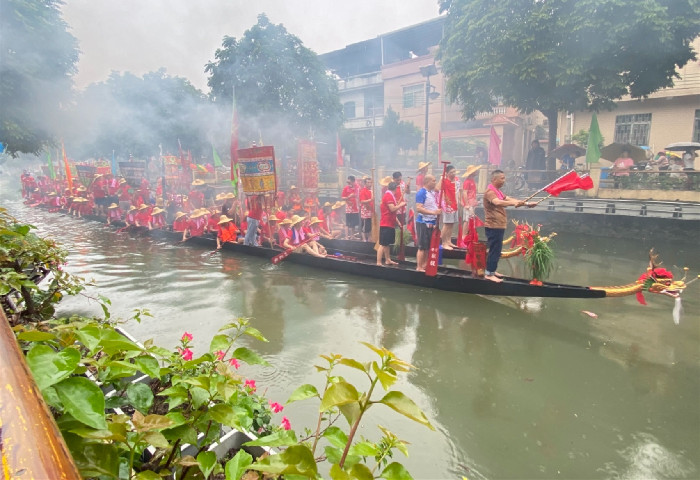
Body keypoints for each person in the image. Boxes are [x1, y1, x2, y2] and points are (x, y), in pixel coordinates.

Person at [483, 170, 535, 282]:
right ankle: (488, 274)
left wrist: (525, 203)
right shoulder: (490, 192)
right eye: (501, 178)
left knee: (497, 250)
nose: (504, 181)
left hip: (499, 225)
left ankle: (492, 270)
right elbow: (498, 202)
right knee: (494, 250)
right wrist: (514, 204)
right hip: (493, 226)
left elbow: (507, 199)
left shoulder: (497, 191)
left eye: (504, 178)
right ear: (494, 179)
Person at [414, 174, 441, 272]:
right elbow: (419, 208)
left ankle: (425, 264)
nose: (435, 182)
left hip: (432, 222)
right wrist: (434, 212)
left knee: (428, 246)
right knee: (422, 246)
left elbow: (439, 188)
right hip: (423, 222)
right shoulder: (421, 192)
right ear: (427, 182)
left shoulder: (431, 192)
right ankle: (419, 267)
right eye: (433, 180)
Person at [377, 181, 405, 266]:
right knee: (383, 244)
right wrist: (401, 204)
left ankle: (387, 259)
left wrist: (398, 222)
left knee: (387, 244)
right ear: (395, 188)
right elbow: (392, 209)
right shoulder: (388, 196)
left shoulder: (390, 196)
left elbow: (392, 212)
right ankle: (378, 262)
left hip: (390, 223)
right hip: (385, 223)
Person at [437, 165, 459, 250]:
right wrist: (441, 179)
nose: (453, 174)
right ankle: (443, 242)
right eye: (451, 172)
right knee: (446, 224)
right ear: (447, 173)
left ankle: (448, 241)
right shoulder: (444, 181)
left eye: (454, 171)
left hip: (455, 204)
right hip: (447, 205)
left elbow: (458, 191)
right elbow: (437, 189)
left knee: (451, 224)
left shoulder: (457, 180)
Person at [460, 165, 481, 243]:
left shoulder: (472, 180)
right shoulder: (467, 181)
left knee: (471, 219)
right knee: (467, 220)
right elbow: (464, 193)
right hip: (468, 203)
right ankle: (463, 236)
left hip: (472, 202)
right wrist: (466, 204)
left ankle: (469, 235)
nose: (476, 172)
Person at [359, 177, 373, 241]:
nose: (369, 184)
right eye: (368, 182)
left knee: (369, 227)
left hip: (371, 211)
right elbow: (362, 201)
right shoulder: (363, 191)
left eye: (370, 182)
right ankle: (364, 240)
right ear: (365, 183)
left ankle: (369, 239)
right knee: (364, 227)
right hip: (365, 212)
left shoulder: (372, 191)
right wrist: (370, 200)